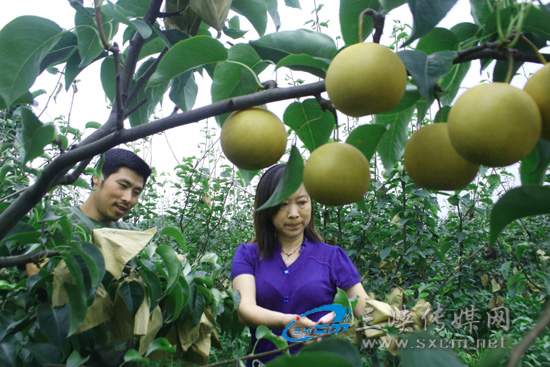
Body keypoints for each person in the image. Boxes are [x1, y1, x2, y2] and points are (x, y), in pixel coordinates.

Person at [231, 164, 369, 365]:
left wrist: (337, 316)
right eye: (282, 204)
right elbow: (245, 309)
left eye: (302, 202)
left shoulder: (332, 257)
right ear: (267, 208)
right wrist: (287, 321)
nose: (294, 213)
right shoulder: (249, 255)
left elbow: (362, 307)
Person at [70, 147, 152, 231]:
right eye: (123, 185)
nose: (128, 199)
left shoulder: (132, 236)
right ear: (97, 177)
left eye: (136, 192)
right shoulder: (61, 222)